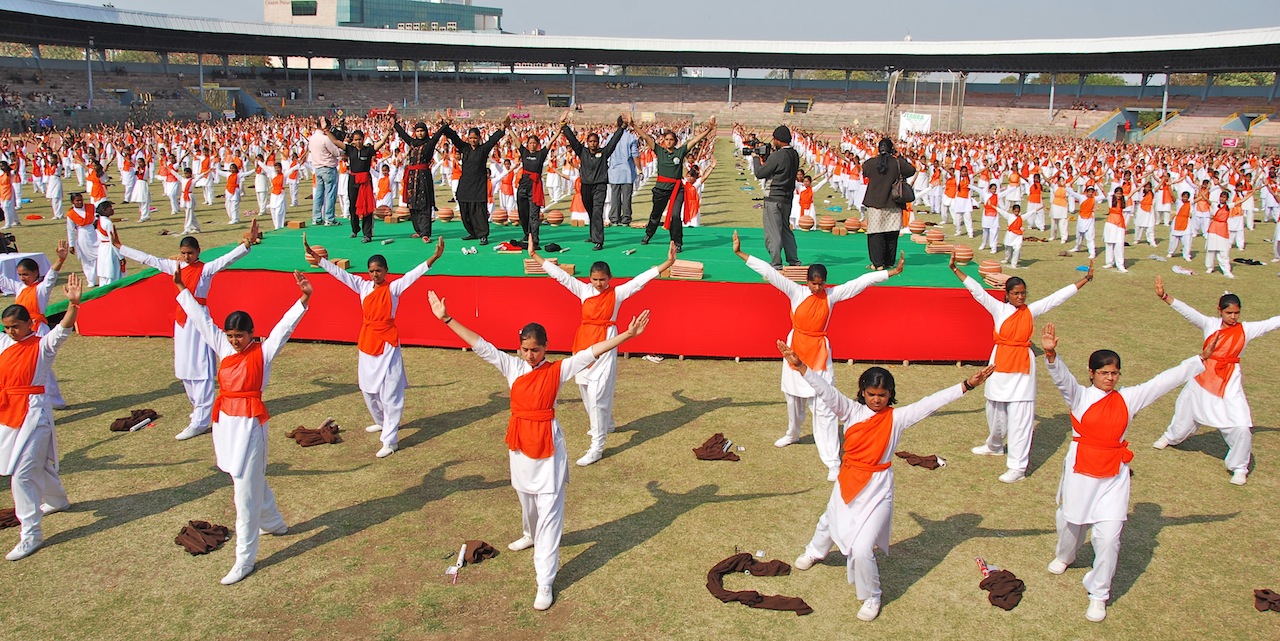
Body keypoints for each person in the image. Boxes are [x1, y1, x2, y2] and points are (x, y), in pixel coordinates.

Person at [428, 290, 650, 611]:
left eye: (536, 349)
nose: (530, 355)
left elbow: (591, 352)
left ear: (546, 347)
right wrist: (447, 318)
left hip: (548, 449)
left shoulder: (558, 370)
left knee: (549, 514)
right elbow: (480, 345)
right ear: (519, 348)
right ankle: (528, 533)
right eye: (525, 349)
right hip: (519, 446)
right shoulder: (511, 366)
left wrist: (627, 334)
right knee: (526, 501)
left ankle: (544, 580)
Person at [782, 340, 994, 622]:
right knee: (830, 519)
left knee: (860, 549)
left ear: (890, 394)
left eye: (882, 394)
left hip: (879, 488)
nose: (877, 400)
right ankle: (815, 551)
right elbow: (826, 391)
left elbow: (931, 403)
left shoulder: (897, 418)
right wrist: (800, 367)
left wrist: (967, 385)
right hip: (848, 480)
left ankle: (872, 595)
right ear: (862, 392)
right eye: (871, 394)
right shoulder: (850, 411)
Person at [1041, 323, 1212, 622]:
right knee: (1071, 525)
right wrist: (1052, 354)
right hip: (1081, 473)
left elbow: (1163, 381)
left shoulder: (1128, 398)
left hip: (1114, 477)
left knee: (1108, 539)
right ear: (1091, 373)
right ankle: (1065, 556)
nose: (1110, 377)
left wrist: (1198, 361)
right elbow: (1062, 379)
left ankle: (1098, 594)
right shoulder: (1079, 396)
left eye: (1114, 372)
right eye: (1104, 372)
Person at [174, 268, 312, 585]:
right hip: (225, 424)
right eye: (231, 335)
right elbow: (200, 320)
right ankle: (275, 522)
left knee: (243, 495)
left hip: (250, 425)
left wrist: (304, 298)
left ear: (252, 333)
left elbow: (283, 329)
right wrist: (183, 289)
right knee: (246, 479)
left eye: (240, 335)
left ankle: (244, 559)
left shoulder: (263, 353)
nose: (235, 341)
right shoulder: (223, 348)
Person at [736, 230, 904, 480]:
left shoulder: (832, 296)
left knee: (824, 407)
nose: (817, 287)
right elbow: (769, 273)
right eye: (813, 283)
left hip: (819, 354)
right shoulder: (796, 292)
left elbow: (860, 282)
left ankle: (832, 461)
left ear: (825, 282)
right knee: (793, 399)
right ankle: (793, 433)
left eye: (821, 283)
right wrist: (741, 253)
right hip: (794, 350)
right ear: (807, 281)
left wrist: (890, 272)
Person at [531, 237, 674, 466]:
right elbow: (561, 276)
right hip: (583, 343)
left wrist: (667, 263)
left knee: (598, 394)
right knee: (586, 389)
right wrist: (535, 256)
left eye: (603, 280)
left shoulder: (617, 294)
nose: (599, 284)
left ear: (610, 279)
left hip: (606, 344)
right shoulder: (583, 290)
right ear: (590, 278)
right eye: (595, 279)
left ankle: (597, 446)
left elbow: (639, 281)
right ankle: (606, 423)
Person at [952, 255, 1092, 482]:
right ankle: (995, 445)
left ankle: (1017, 468)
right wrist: (955, 270)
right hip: (999, 365)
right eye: (1015, 293)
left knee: (1021, 417)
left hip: (1023, 369)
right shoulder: (998, 309)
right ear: (1007, 295)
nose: (1020, 296)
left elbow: (1056, 298)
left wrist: (1084, 280)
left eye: (1023, 293)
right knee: (994, 409)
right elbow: (977, 291)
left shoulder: (1030, 311)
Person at [117, 220, 259, 440]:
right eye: (183, 253)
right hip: (181, 322)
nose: (186, 257)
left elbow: (227, 259)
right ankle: (199, 411)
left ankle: (201, 420)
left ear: (198, 252)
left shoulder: (205, 269)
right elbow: (150, 259)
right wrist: (121, 247)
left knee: (201, 369)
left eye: (190, 253)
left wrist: (247, 244)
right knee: (185, 368)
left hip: (199, 321)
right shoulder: (176, 267)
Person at [307, 235, 444, 458]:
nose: (374, 274)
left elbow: (413, 275)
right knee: (367, 389)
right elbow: (340, 274)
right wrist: (317, 258)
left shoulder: (393, 288)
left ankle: (390, 441)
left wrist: (434, 258)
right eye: (371, 271)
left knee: (390, 394)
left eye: (378, 270)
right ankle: (381, 422)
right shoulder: (362, 286)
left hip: (388, 343)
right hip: (368, 341)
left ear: (386, 270)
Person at [1151, 280, 1280, 485]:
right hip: (1202, 376)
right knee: (1185, 413)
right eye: (1229, 313)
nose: (1233, 317)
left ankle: (1239, 467)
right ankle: (1171, 437)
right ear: (1219, 310)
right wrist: (1165, 297)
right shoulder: (1210, 324)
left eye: (1237, 313)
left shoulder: (1246, 330)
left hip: (1229, 382)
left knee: (1241, 425)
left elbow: (1272, 322)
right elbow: (1190, 313)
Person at [0, 273, 84, 562]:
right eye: (7, 328)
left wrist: (74, 304)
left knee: (21, 474)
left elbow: (63, 329)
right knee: (33, 466)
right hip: (7, 413)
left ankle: (31, 534)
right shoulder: (4, 344)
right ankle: (58, 500)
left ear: (29, 324)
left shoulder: (42, 345)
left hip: (34, 415)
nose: (11, 332)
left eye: (16, 327)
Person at [0, 241, 70, 408]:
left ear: (35, 273)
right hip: (22, 330)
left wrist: (60, 260)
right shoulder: (19, 288)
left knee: (43, 365)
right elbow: (3, 280)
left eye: (25, 274)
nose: (23, 278)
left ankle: (55, 400)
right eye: (20, 275)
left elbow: (51, 277)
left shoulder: (41, 289)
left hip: (38, 329)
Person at [635, 117, 716, 253]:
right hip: (661, 189)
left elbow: (695, 140)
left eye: (671, 140)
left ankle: (677, 242)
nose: (668, 142)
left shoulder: (680, 151)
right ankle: (649, 234)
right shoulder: (659, 150)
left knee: (675, 216)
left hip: (677, 189)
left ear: (675, 141)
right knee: (656, 214)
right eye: (666, 139)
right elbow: (645, 136)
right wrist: (633, 125)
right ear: (663, 141)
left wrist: (708, 129)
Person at [561, 113, 629, 250]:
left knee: (597, 211)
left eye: (595, 141)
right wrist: (564, 125)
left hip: (599, 186)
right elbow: (573, 140)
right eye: (590, 141)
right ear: (587, 143)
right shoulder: (582, 152)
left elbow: (614, 141)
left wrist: (622, 127)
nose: (593, 144)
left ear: (598, 142)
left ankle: (599, 241)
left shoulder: (604, 153)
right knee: (591, 211)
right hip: (585, 186)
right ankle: (593, 235)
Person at [440, 115, 510, 245]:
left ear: (479, 138)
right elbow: (453, 137)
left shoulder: (483, 150)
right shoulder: (464, 148)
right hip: (465, 184)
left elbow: (493, 139)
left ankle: (483, 234)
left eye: (475, 138)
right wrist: (444, 125)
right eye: (471, 138)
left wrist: (503, 128)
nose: (473, 140)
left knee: (479, 211)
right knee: (464, 209)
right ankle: (472, 232)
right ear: (468, 138)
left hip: (478, 185)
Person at [749, 126, 802, 268]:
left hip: (773, 198)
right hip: (787, 198)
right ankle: (794, 260)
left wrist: (755, 158)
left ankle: (776, 263)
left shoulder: (778, 156)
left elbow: (760, 173)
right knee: (785, 229)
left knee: (773, 232)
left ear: (778, 139)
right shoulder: (794, 154)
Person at [861, 138, 916, 271]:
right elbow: (911, 171)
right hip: (893, 202)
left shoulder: (871, 163)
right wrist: (899, 156)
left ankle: (877, 263)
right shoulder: (897, 163)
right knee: (891, 234)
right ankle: (889, 262)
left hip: (875, 203)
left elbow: (865, 170)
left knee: (875, 234)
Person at [329, 128, 389, 243]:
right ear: (353, 140)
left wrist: (388, 131)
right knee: (353, 206)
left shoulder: (368, 150)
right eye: (356, 140)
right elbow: (336, 142)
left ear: (363, 139)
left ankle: (367, 234)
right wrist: (326, 130)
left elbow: (380, 143)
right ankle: (355, 229)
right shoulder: (350, 149)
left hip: (365, 181)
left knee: (367, 208)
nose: (358, 142)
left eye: (360, 139)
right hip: (353, 180)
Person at [514, 127, 562, 250]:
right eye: (530, 143)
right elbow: (516, 141)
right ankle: (527, 234)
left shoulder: (541, 154)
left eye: (534, 143)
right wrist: (509, 128)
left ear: (538, 144)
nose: (532, 145)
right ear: (527, 144)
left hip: (535, 187)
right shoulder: (524, 152)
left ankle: (534, 239)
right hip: (523, 186)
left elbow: (550, 142)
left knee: (534, 215)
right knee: (522, 212)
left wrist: (559, 129)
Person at [308, 115, 342, 226]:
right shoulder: (325, 138)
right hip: (328, 167)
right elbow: (336, 152)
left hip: (317, 168)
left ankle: (316, 217)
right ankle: (329, 218)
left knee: (318, 194)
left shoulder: (312, 138)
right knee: (330, 194)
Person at [606, 123, 640, 226]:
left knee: (614, 196)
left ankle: (614, 218)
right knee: (626, 197)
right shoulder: (631, 137)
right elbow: (635, 155)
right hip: (627, 171)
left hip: (614, 170)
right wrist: (639, 169)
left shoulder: (610, 137)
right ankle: (625, 218)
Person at [65, 192, 98, 284]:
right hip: (82, 236)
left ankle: (97, 276)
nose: (80, 202)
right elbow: (70, 230)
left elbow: (97, 217)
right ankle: (91, 280)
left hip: (94, 234)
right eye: (77, 201)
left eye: (81, 200)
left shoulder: (91, 207)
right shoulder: (71, 214)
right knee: (86, 259)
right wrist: (71, 245)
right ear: (72, 202)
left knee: (98, 256)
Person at [93, 201, 121, 287]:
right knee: (111, 271)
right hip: (109, 249)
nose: (112, 210)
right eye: (110, 208)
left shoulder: (99, 220)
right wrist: (121, 256)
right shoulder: (108, 223)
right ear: (105, 211)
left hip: (102, 248)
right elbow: (113, 241)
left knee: (104, 272)